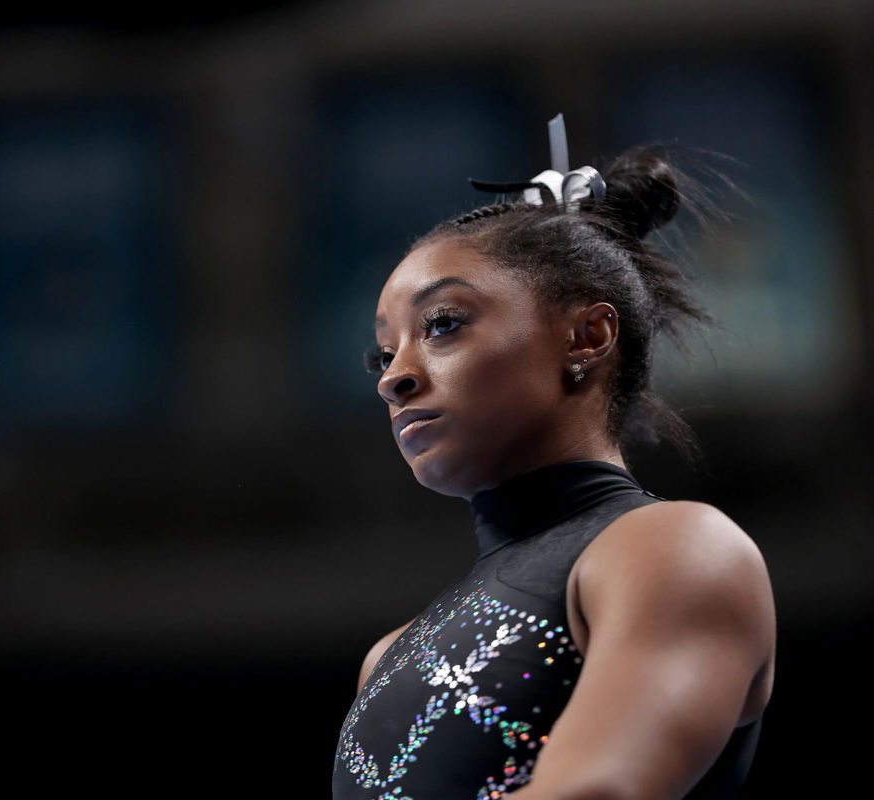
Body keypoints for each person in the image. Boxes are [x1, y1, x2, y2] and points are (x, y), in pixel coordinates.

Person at [331, 120, 776, 800]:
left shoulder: (674, 549)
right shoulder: (386, 659)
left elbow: (597, 790)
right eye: (383, 355)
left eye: (443, 324)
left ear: (587, 336)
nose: (394, 379)